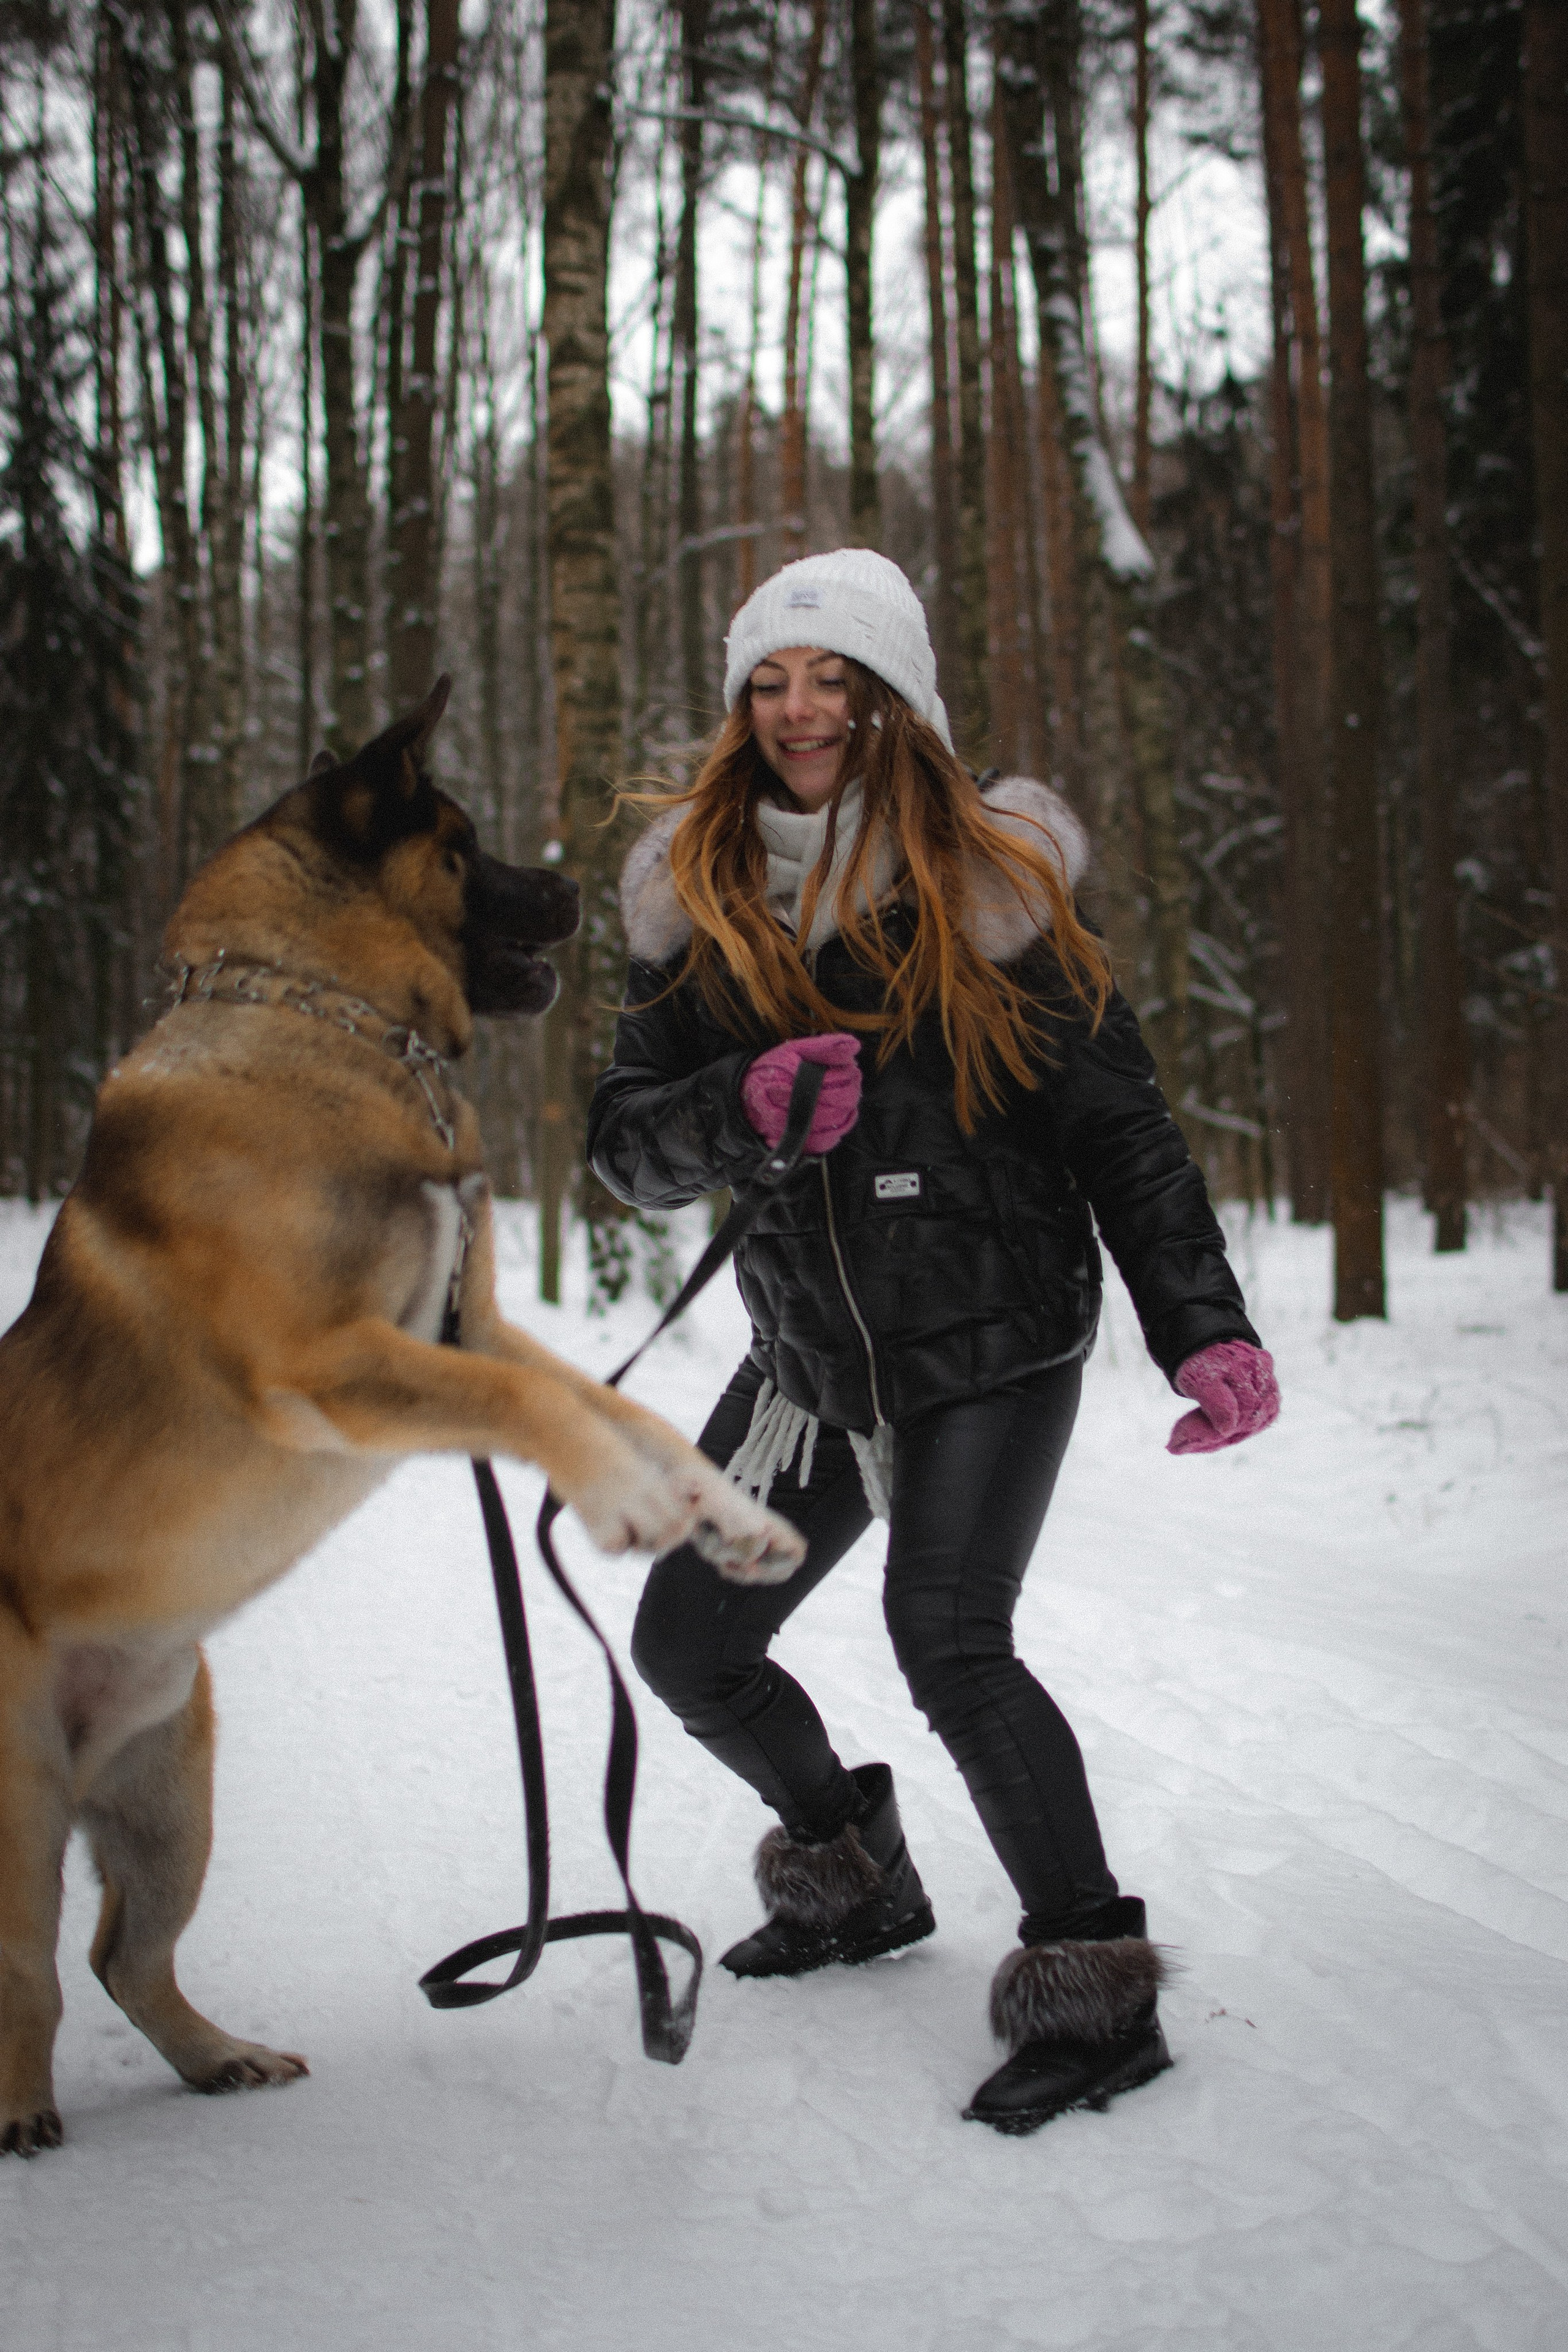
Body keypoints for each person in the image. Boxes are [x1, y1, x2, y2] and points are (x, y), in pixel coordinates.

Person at [586, 549, 1279, 2135]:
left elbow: (1124, 1130)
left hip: (990, 1334)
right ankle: (856, 1878)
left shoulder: (991, 888)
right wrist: (738, 1106)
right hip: (813, 1365)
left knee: (949, 1636)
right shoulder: (695, 899)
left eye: (834, 680)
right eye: (771, 682)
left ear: (896, 700)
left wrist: (1203, 1329)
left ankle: (1094, 1988)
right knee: (690, 1645)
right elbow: (623, 1146)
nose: (800, 710)